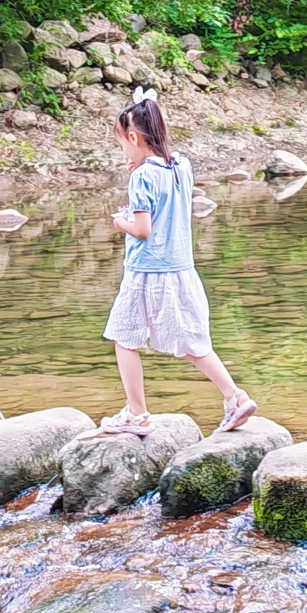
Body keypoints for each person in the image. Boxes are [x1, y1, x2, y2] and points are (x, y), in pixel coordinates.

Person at [98, 87, 257, 436]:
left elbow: (141, 229)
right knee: (193, 341)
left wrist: (119, 221)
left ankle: (137, 414)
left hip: (146, 271)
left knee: (124, 338)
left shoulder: (142, 176)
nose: (123, 150)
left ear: (134, 136)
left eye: (122, 143)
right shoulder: (181, 164)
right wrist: (138, 165)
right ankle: (235, 396)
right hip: (181, 268)